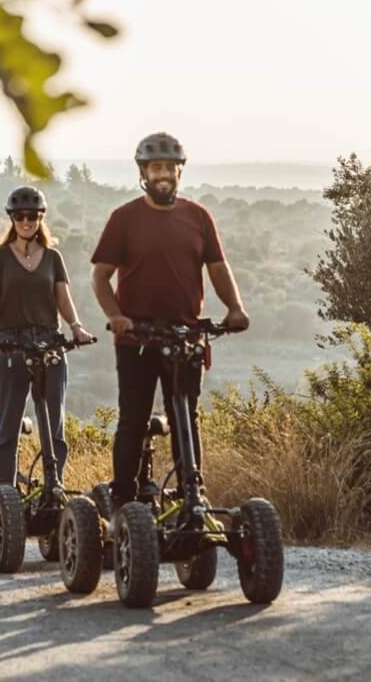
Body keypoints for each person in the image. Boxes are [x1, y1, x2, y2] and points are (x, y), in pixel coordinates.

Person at [89, 132, 251, 508]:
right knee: (134, 418)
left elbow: (218, 268)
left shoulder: (198, 217)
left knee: (185, 417)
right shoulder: (124, 218)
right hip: (138, 339)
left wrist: (235, 309)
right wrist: (115, 316)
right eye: (155, 168)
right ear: (143, 173)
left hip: (186, 336)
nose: (163, 174)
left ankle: (192, 495)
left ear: (180, 171)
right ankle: (123, 503)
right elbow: (100, 276)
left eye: (170, 168)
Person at [0, 186, 94, 491]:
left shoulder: (53, 257)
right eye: (20, 216)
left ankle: (54, 485)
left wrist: (76, 327)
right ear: (12, 219)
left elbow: (63, 299)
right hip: (10, 342)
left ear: (41, 218)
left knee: (54, 422)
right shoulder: (0, 256)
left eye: (32, 216)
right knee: (8, 422)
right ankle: (4, 489)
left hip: (49, 341)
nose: (26, 221)